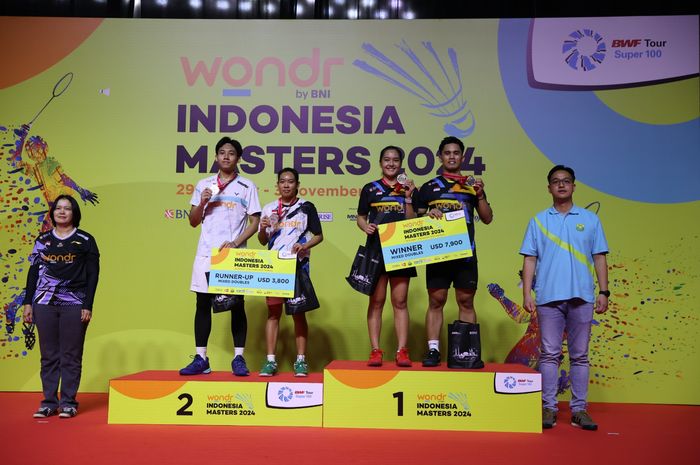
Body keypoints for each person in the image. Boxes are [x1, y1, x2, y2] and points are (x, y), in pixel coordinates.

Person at [520, 165, 609, 431]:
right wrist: (527, 292)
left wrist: (604, 291)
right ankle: (548, 408)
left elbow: (599, 257)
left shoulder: (590, 220)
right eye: (556, 182)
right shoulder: (538, 221)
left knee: (580, 356)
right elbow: (530, 258)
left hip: (583, 296)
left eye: (566, 181)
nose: (561, 185)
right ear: (549, 187)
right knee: (549, 354)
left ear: (573, 186)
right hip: (548, 297)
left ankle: (579, 410)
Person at [179, 137, 261, 376]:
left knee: (237, 305)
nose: (226, 156)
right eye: (222, 153)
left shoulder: (247, 186)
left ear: (238, 158)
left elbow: (255, 222)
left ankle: (238, 358)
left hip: (233, 254)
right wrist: (202, 202)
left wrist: (235, 243)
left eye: (232, 153)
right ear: (216, 157)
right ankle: (201, 358)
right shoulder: (204, 184)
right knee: (202, 303)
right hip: (206, 253)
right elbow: (193, 221)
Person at [416, 136, 493, 367]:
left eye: (456, 153)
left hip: (466, 254)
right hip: (439, 253)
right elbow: (413, 219)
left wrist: (479, 195)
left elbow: (487, 218)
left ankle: (467, 353)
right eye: (447, 153)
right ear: (440, 156)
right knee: (436, 299)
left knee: (466, 301)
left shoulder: (472, 186)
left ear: (462, 156)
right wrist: (428, 214)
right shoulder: (429, 187)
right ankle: (433, 351)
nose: (451, 156)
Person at [22, 194, 100, 419]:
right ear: (53, 213)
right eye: (58, 208)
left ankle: (68, 402)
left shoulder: (85, 240)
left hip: (74, 304)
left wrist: (88, 304)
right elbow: (33, 272)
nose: (62, 212)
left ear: (74, 213)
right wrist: (28, 302)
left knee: (71, 354)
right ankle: (48, 402)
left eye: (67, 208)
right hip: (43, 303)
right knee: (48, 355)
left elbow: (93, 275)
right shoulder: (42, 240)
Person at [257, 168, 323, 377]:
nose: (286, 185)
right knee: (273, 314)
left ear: (297, 184)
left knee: (298, 314)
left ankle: (301, 361)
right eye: (282, 182)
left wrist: (304, 246)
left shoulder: (306, 207)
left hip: (297, 266)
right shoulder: (269, 208)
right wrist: (262, 228)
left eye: (290, 181)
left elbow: (319, 236)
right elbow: (262, 240)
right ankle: (270, 361)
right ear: (277, 184)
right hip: (274, 267)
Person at [356, 145, 418, 367]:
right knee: (377, 301)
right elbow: (360, 217)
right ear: (380, 163)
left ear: (401, 163)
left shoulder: (409, 188)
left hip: (402, 250)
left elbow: (413, 221)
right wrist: (366, 227)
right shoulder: (370, 188)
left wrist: (409, 197)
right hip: (376, 250)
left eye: (395, 160)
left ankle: (402, 350)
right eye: (386, 160)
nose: (391, 163)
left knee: (400, 301)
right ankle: (375, 350)